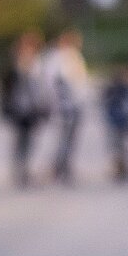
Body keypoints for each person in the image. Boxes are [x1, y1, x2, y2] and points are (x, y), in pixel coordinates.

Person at [0, 30, 50, 188]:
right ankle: (20, 170)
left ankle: (26, 168)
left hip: (33, 108)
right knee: (20, 140)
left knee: (30, 141)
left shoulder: (37, 64)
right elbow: (4, 87)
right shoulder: (14, 65)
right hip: (19, 108)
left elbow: (41, 88)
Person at [41, 27, 90, 185]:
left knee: (70, 140)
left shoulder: (74, 56)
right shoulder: (56, 58)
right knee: (63, 139)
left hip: (76, 105)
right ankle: (58, 168)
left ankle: (64, 167)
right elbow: (55, 85)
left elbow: (80, 82)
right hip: (65, 107)